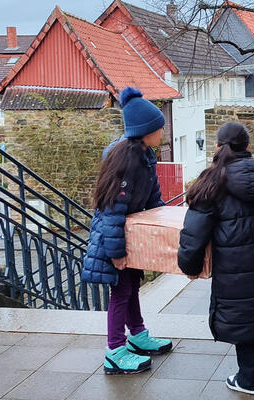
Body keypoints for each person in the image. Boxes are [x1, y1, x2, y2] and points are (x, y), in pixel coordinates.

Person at [178, 122, 254, 396]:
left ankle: (249, 379)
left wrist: (189, 264)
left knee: (240, 313)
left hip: (234, 265)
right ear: (247, 146)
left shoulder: (212, 181)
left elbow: (194, 231)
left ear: (218, 147)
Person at [82, 87, 174, 375]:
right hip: (116, 237)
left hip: (133, 235)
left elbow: (153, 200)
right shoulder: (126, 160)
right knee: (121, 293)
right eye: (159, 126)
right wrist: (117, 253)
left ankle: (137, 334)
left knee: (133, 287)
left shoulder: (145, 156)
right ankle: (115, 351)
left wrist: (161, 225)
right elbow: (111, 211)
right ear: (146, 130)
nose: (163, 130)